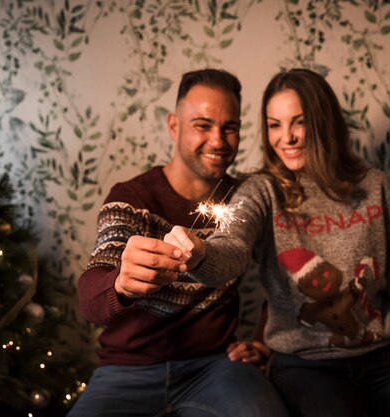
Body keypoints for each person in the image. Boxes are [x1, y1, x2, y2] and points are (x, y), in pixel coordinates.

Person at [165, 68, 390, 417]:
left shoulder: (375, 188)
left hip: (386, 361)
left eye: (298, 122)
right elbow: (232, 248)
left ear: (323, 121)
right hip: (306, 368)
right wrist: (201, 255)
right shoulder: (262, 191)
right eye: (274, 125)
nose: (286, 137)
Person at [69, 69, 289, 417]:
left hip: (215, 367)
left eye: (229, 128)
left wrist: (262, 340)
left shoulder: (245, 199)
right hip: (127, 369)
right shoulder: (132, 198)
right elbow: (90, 301)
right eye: (202, 125)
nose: (218, 141)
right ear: (174, 126)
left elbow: (283, 275)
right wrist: (121, 284)